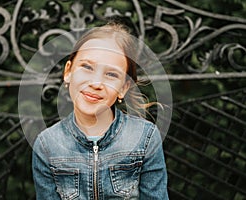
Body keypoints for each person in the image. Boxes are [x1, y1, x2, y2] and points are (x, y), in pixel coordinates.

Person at [32, 21, 169, 199]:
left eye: (111, 75)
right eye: (87, 67)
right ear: (68, 72)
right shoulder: (46, 145)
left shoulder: (145, 137)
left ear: (123, 88)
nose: (96, 83)